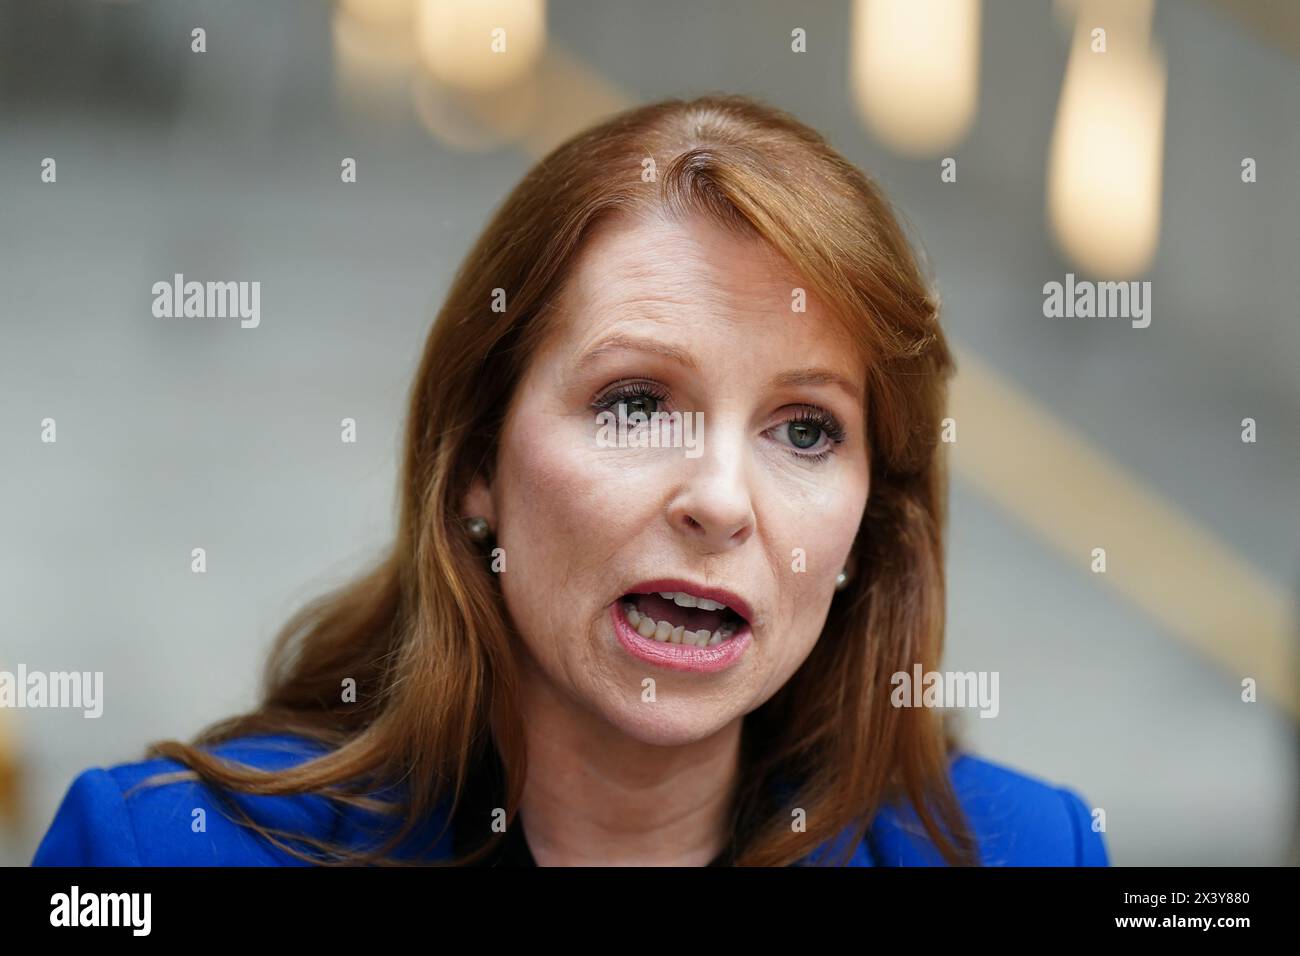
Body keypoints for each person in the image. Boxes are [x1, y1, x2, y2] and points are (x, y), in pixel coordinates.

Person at [33, 95, 1108, 867]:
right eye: (636, 404)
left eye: (805, 428)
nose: (721, 500)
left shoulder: (1030, 849)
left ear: (870, 523)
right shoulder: (150, 852)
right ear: (473, 468)